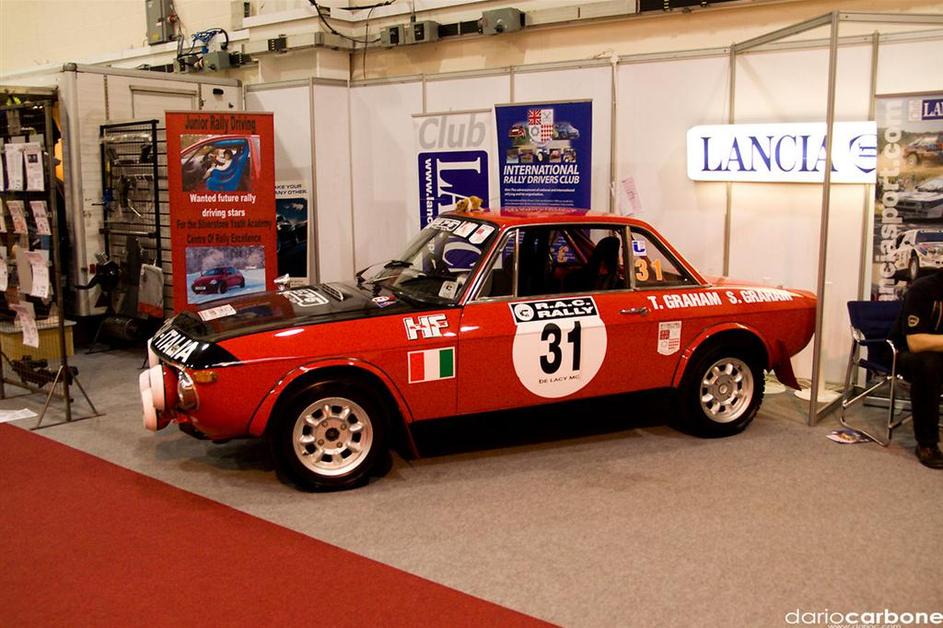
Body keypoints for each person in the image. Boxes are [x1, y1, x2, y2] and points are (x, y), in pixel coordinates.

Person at [893, 269, 943, 469]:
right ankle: (927, 443)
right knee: (928, 364)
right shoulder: (922, 289)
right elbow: (915, 342)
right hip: (906, 354)